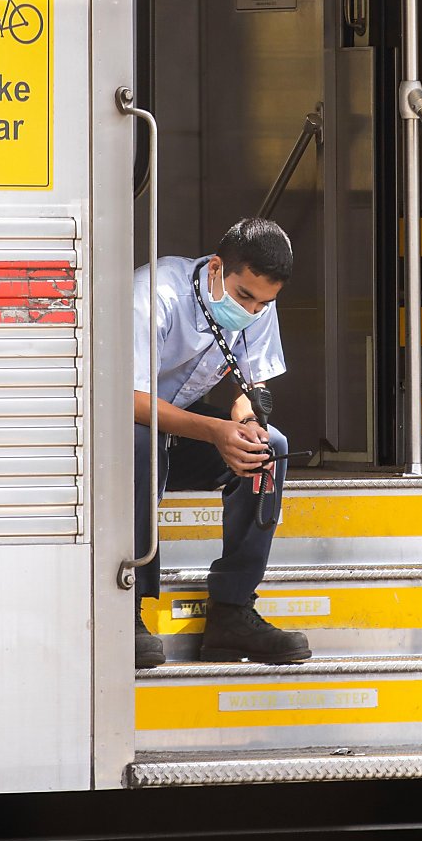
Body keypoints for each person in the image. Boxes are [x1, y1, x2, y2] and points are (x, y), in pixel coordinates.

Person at [132, 217, 311, 669]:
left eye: (263, 303)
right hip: (126, 426)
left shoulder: (259, 304)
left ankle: (232, 612)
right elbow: (126, 400)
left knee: (269, 447)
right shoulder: (155, 294)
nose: (252, 310)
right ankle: (124, 611)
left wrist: (247, 422)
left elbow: (252, 385)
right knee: (138, 443)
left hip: (179, 429)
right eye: (244, 296)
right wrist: (215, 431)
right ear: (215, 268)